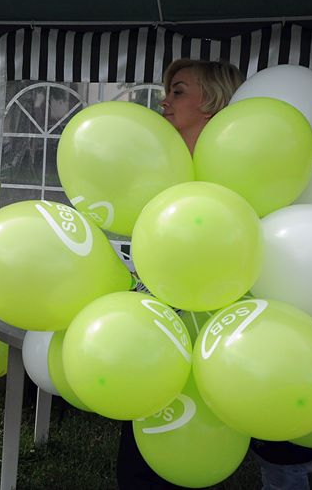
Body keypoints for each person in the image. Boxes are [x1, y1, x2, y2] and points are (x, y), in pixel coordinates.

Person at [117, 58, 245, 490]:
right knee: (137, 454)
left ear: (211, 102)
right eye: (168, 90)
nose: (164, 102)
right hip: (153, 315)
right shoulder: (156, 171)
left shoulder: (236, 175)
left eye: (178, 91)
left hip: (215, 323)